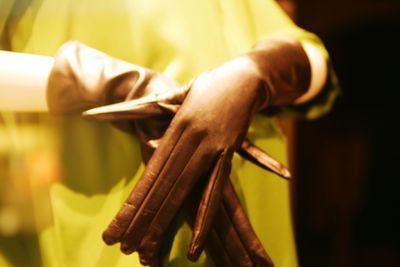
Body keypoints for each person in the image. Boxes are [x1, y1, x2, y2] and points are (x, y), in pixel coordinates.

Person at [0, 0, 339, 266]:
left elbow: (316, 65)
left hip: (256, 227)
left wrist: (263, 71)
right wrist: (90, 80)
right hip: (99, 209)